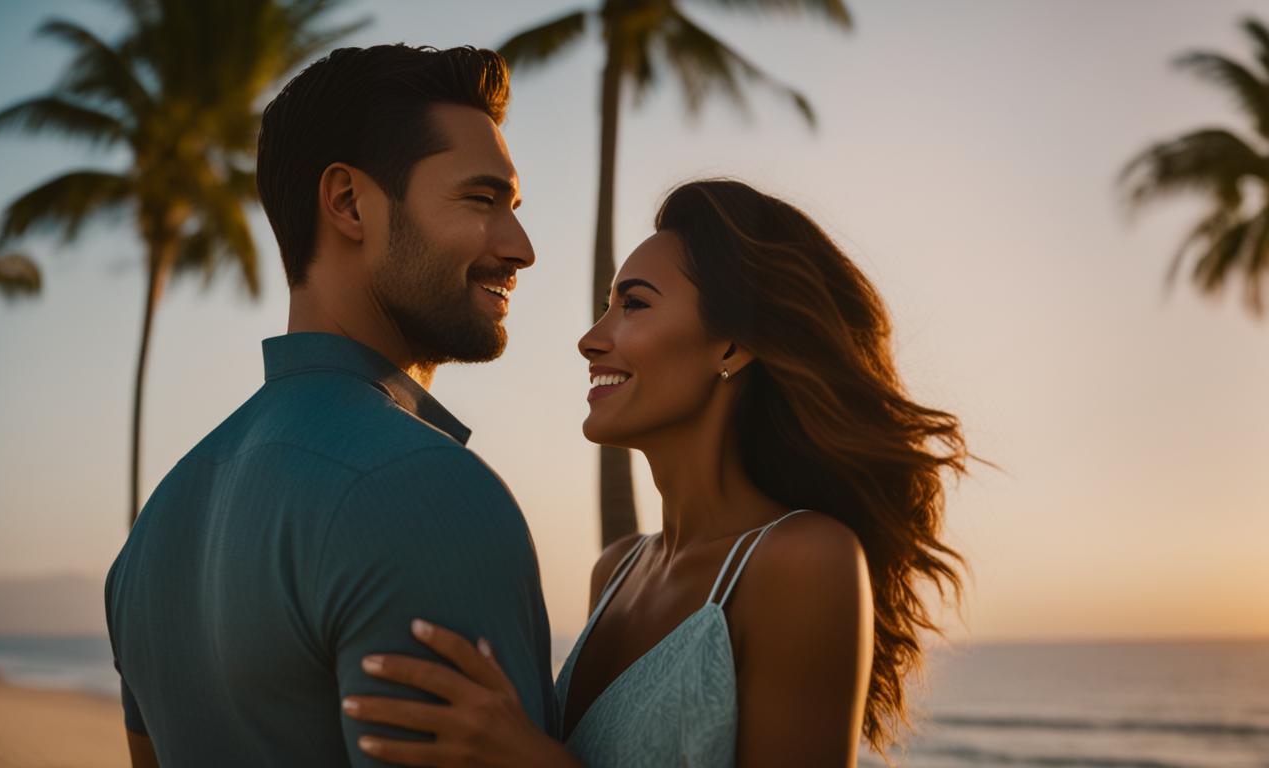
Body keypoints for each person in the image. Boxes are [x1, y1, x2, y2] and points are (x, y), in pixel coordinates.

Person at [340, 179, 970, 766]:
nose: (591, 339)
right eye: (607, 307)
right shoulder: (614, 572)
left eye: (634, 305)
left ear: (730, 345)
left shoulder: (804, 560)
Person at [104, 45, 561, 766]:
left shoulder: (152, 535)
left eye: (514, 207)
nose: (521, 247)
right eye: (482, 199)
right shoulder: (422, 490)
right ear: (349, 203)